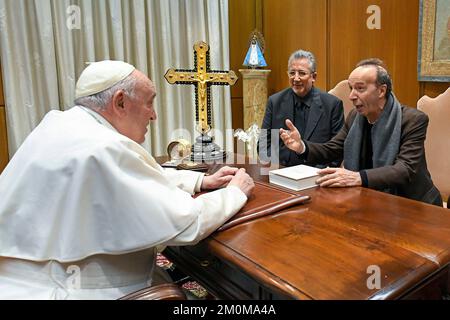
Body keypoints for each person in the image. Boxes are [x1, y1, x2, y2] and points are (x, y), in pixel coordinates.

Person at [0, 60, 255, 299]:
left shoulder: (64, 124)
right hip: (88, 290)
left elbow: (128, 176)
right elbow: (188, 223)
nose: (153, 116)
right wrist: (235, 192)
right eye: (149, 103)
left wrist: (199, 182)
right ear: (120, 102)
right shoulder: (103, 147)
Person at [280, 58, 442, 206]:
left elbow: (405, 169)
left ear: (381, 91)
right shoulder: (355, 117)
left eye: (360, 88)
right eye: (351, 88)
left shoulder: (413, 120)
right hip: (371, 200)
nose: (351, 96)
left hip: (414, 204)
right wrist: (301, 146)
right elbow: (333, 149)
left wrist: (358, 177)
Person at [258, 49, 344, 167]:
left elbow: (337, 150)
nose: (296, 78)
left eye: (302, 73)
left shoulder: (332, 104)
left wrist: (319, 173)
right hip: (282, 172)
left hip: (316, 175)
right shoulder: (275, 102)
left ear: (313, 76)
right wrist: (278, 167)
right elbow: (263, 145)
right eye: (292, 73)